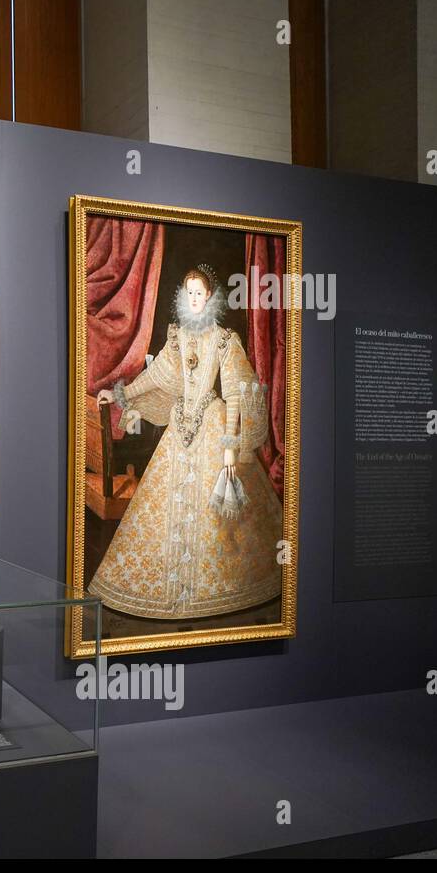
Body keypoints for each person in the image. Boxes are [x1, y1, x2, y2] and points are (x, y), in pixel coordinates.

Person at [89, 265, 283, 619]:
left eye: (199, 293)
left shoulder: (225, 339)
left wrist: (229, 446)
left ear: (208, 296)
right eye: (188, 293)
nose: (193, 299)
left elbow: (238, 393)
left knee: (223, 517)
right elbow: (156, 375)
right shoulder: (177, 336)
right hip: (179, 428)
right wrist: (119, 394)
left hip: (211, 424)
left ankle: (215, 592)